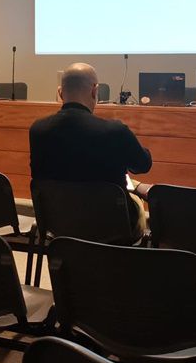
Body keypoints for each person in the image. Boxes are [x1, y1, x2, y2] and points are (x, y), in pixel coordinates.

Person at [29, 63, 152, 237]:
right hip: (112, 226)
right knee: (136, 199)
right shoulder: (115, 131)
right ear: (95, 91)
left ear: (60, 93)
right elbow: (143, 165)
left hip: (59, 225)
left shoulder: (38, 130)